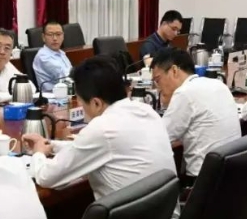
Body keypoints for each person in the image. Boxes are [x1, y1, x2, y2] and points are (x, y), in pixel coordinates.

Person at [24, 56, 178, 204]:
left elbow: (47, 177)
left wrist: (38, 153)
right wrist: (51, 145)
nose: (82, 108)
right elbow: (98, 148)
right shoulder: (146, 111)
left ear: (96, 103)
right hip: (165, 217)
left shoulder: (102, 128)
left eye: (81, 102)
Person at [151, 48, 240, 185]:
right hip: (232, 175)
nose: (158, 88)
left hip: (202, 182)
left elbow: (161, 138)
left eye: (158, 80)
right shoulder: (218, 84)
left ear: (174, 71)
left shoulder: (184, 93)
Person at [33, 21, 73, 91]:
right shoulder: (43, 57)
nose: (55, 38)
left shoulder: (61, 53)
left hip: (66, 92)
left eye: (58, 34)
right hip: (52, 96)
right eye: (50, 34)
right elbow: (66, 77)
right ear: (43, 37)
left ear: (63, 36)